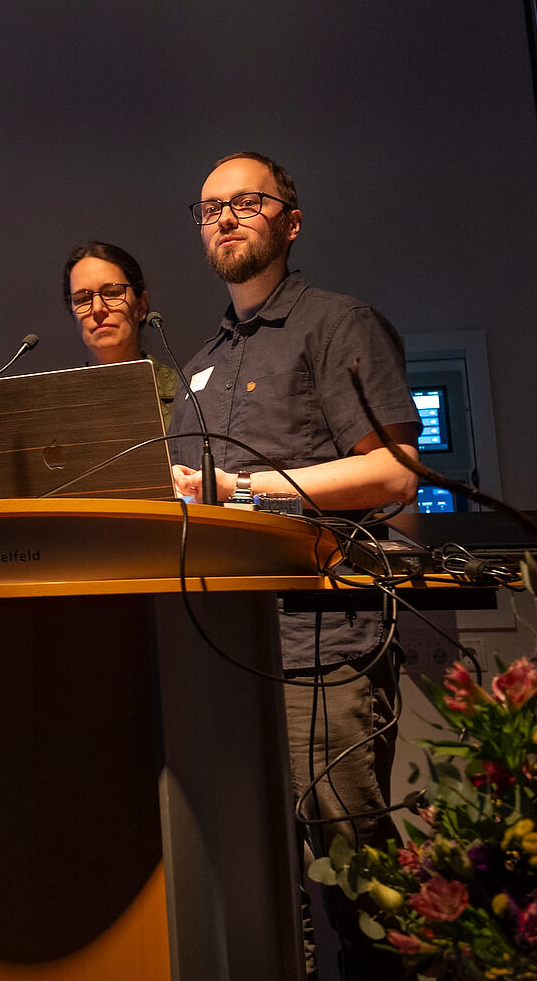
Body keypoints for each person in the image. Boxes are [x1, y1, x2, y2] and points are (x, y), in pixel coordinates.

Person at [165, 151, 418, 980]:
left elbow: (394, 472)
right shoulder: (199, 363)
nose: (225, 217)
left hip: (323, 646)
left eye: (247, 202)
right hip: (226, 654)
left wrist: (242, 488)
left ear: (292, 221)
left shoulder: (338, 324)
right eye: (211, 208)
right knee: (258, 885)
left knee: (358, 877)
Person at [62, 239, 175, 410]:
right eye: (83, 299)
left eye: (112, 293)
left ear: (141, 306)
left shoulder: (187, 396)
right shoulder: (57, 408)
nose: (97, 308)